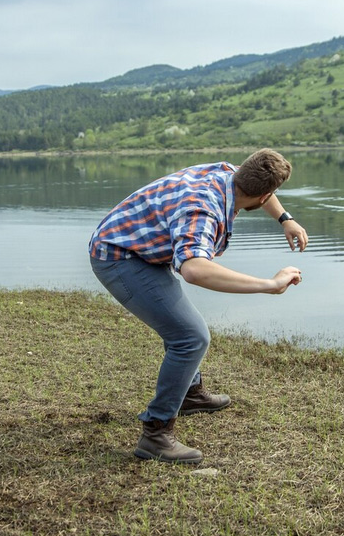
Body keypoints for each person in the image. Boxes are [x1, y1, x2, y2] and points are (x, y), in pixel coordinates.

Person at [88, 148, 308, 464]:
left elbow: (263, 191)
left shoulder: (231, 173)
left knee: (182, 327)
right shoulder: (201, 212)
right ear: (263, 196)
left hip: (142, 243)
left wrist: (286, 219)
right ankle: (156, 433)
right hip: (119, 256)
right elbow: (194, 269)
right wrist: (269, 285)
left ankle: (189, 395)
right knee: (190, 337)